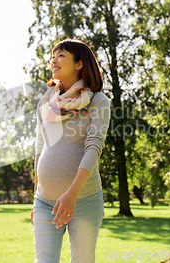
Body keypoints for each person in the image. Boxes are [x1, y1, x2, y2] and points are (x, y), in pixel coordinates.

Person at [31, 38, 111, 263]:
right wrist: (36, 196)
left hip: (84, 199)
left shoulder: (97, 101)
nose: (54, 60)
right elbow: (40, 148)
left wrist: (72, 194)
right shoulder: (46, 102)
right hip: (44, 201)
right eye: (53, 56)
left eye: (61, 55)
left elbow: (94, 147)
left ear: (79, 64)